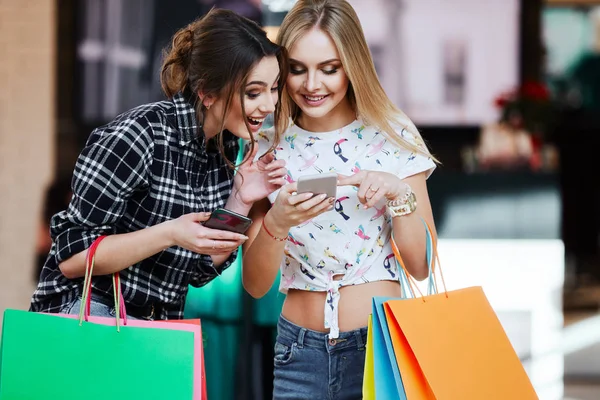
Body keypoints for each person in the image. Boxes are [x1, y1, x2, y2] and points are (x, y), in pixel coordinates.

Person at [30, 8, 289, 321]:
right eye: (253, 92)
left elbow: (200, 270)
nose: (269, 104)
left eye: (273, 88)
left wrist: (241, 199)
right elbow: (71, 258)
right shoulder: (139, 135)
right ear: (207, 92)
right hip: (89, 318)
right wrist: (170, 233)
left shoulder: (223, 146)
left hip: (155, 327)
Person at [242, 0, 439, 398]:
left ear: (352, 65)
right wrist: (277, 223)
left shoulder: (392, 134)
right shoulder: (266, 144)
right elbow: (255, 284)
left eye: (329, 69)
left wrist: (399, 194)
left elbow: (420, 266)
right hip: (297, 353)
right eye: (297, 69)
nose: (312, 85)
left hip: (378, 348)